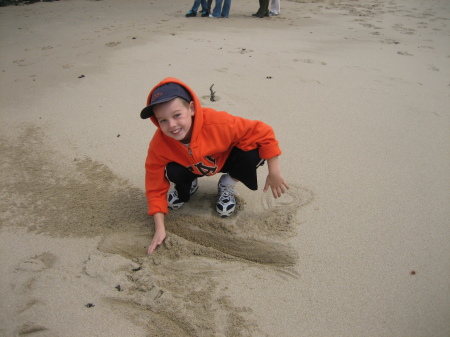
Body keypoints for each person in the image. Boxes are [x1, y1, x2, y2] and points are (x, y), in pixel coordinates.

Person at [141, 78, 289, 254]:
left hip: (223, 160)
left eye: (177, 115)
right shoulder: (159, 145)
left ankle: (227, 183)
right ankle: (187, 187)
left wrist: (274, 171)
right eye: (162, 120)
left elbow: (263, 132)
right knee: (172, 170)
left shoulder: (218, 122)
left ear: (191, 108)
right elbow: (154, 185)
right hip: (189, 167)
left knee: (253, 153)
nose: (171, 125)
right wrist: (159, 227)